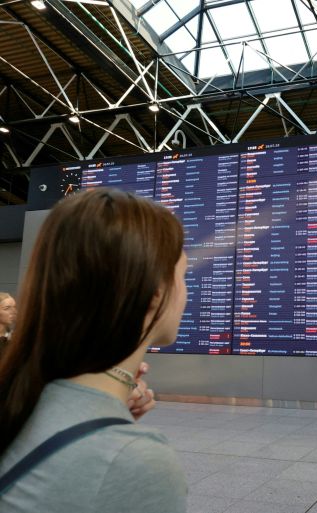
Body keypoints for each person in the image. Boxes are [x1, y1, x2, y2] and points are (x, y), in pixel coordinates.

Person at [0, 188, 188, 512]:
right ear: (156, 292)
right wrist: (111, 440)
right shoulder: (138, 462)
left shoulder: (17, 401)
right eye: (184, 275)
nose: (186, 291)